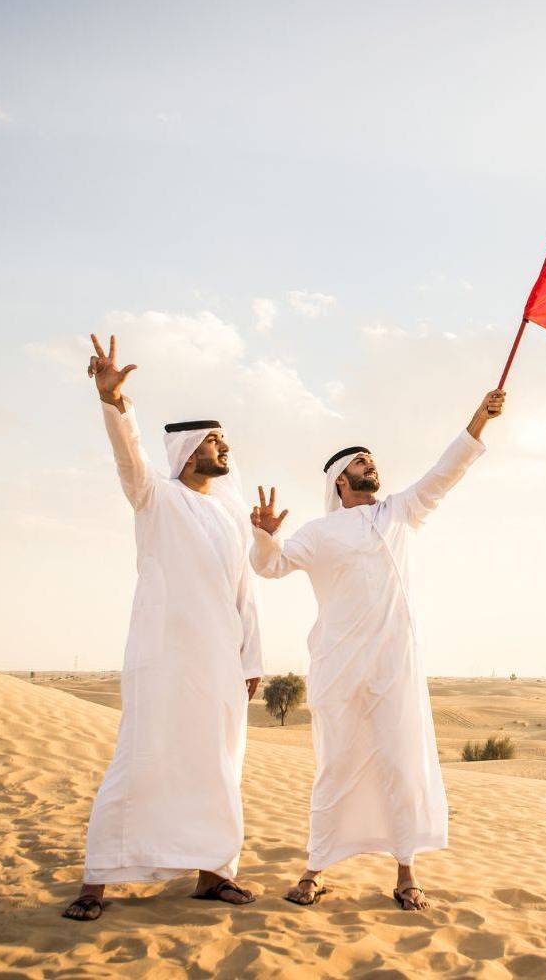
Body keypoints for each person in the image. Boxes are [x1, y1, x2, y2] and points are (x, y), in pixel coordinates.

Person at [249, 389, 505, 911]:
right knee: (335, 765)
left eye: (372, 461)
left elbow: (444, 474)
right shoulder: (319, 532)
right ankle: (314, 870)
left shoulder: (399, 513)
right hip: (338, 668)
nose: (373, 467)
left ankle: (406, 874)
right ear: (340, 480)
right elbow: (269, 568)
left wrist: (478, 420)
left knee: (401, 763)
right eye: (362, 463)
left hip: (395, 667)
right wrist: (264, 537)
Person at [63, 334, 264, 922]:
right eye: (213, 442)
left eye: (225, 442)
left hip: (221, 662)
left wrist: (251, 659)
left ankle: (214, 874)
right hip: (164, 658)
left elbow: (243, 595)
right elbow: (130, 459)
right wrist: (115, 404)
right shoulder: (156, 497)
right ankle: (98, 879)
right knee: (142, 759)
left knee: (221, 766)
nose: (223, 450)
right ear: (188, 451)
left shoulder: (229, 514)